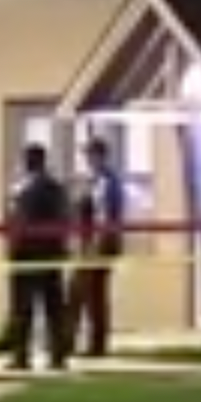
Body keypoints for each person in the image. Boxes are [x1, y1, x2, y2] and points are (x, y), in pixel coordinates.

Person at [4, 142, 72, 372]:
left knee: (22, 307)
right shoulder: (56, 188)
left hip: (25, 254)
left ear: (27, 162)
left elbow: (15, 223)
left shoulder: (20, 189)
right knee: (53, 306)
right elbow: (65, 218)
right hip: (51, 252)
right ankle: (57, 356)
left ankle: (21, 355)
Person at [66, 136, 125, 358]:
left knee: (88, 294)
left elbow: (104, 216)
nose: (87, 160)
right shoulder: (95, 180)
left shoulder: (106, 182)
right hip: (89, 244)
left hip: (98, 245)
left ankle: (91, 343)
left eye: (90, 155)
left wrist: (95, 247)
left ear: (99, 155)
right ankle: (84, 341)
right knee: (85, 293)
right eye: (86, 155)